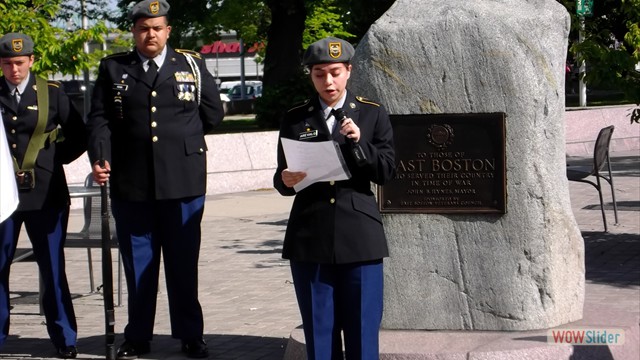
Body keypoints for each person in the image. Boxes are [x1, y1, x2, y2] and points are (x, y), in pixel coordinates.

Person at [86, 0, 224, 358]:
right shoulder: (114, 67)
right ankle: (138, 336)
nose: (151, 34)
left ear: (168, 31)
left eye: (158, 28)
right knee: (139, 264)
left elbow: (213, 113)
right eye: (144, 28)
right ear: (134, 31)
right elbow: (100, 119)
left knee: (183, 263)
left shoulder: (191, 64)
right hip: (133, 184)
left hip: (183, 182)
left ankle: (191, 334)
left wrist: (181, 143)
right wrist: (101, 157)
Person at [273, 37, 396, 360]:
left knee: (362, 331)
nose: (328, 81)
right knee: (320, 330)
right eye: (319, 74)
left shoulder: (372, 114)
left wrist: (358, 143)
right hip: (310, 234)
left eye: (335, 72)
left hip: (359, 235)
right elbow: (282, 176)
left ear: (348, 71)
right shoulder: (296, 118)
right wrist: (285, 180)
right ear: (310, 76)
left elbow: (386, 171)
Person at [0, 32, 87, 359]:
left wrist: (54, 159)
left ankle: (65, 337)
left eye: (20, 63)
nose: (14, 70)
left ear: (32, 60)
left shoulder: (52, 93)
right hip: (3, 198)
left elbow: (80, 134)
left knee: (52, 267)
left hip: (46, 194)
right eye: (7, 63)